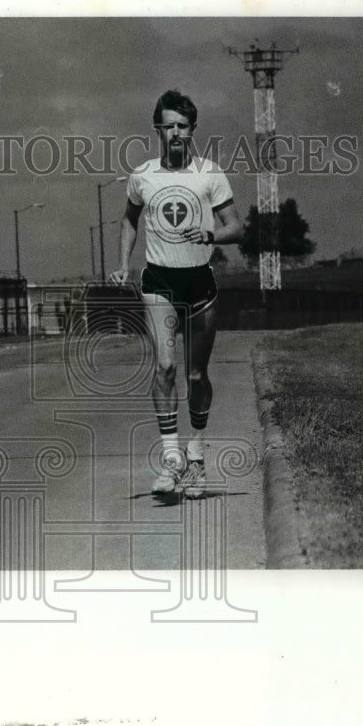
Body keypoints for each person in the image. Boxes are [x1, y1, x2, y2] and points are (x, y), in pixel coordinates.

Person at [108, 89, 242, 498]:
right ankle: (171, 461)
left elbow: (236, 227)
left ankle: (196, 457)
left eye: (183, 126)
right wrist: (122, 263)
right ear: (157, 130)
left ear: (193, 129)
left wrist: (210, 234)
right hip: (159, 281)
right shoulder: (142, 174)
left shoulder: (210, 173)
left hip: (199, 282)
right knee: (165, 366)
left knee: (196, 374)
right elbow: (129, 220)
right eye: (169, 126)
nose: (176, 133)